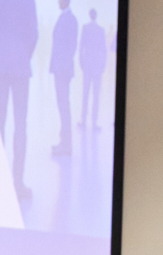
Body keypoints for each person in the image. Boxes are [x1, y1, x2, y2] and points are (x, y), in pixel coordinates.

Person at [0, 0, 39, 199]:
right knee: (20, 126)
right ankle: (17, 182)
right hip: (20, 65)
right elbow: (34, 33)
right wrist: (23, 54)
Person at [49, 0, 78, 156]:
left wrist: (62, 67)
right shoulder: (65, 18)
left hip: (62, 70)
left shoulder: (70, 19)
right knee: (62, 105)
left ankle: (66, 145)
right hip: (60, 69)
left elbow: (71, 46)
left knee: (64, 106)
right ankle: (64, 142)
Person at [78, 8, 107, 128]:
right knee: (96, 95)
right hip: (97, 66)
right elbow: (104, 50)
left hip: (88, 65)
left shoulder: (85, 28)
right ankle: (94, 122)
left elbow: (81, 47)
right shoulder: (101, 30)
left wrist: (81, 63)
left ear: (90, 15)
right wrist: (103, 65)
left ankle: (83, 120)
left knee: (85, 94)